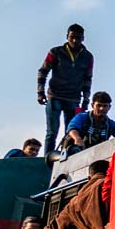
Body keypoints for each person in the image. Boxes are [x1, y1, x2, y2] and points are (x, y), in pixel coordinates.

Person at [38, 23, 95, 154]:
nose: (75, 40)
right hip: (54, 96)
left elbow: (88, 79)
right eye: (72, 37)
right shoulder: (56, 52)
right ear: (67, 37)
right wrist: (40, 92)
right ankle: (47, 158)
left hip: (74, 98)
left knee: (71, 132)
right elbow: (43, 71)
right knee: (52, 131)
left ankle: (65, 157)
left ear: (83, 38)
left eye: (78, 38)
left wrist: (86, 100)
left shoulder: (88, 57)